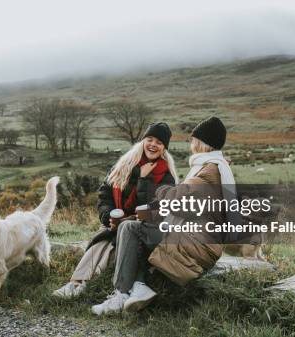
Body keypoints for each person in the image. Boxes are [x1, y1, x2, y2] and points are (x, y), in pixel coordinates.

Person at [92, 116, 236, 315]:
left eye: (194, 140)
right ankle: (138, 286)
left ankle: (122, 293)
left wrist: (152, 187)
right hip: (194, 237)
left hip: (195, 244)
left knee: (132, 229)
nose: (191, 144)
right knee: (135, 226)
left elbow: (175, 200)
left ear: (203, 143)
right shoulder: (211, 167)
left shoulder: (209, 171)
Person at [53, 122, 177, 298]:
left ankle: (84, 284)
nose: (153, 145)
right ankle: (74, 284)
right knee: (101, 241)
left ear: (164, 148)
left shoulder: (166, 177)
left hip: (139, 229)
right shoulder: (124, 164)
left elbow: (152, 210)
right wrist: (107, 216)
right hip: (115, 223)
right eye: (149, 139)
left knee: (110, 247)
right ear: (143, 141)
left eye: (159, 142)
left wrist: (143, 180)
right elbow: (105, 193)